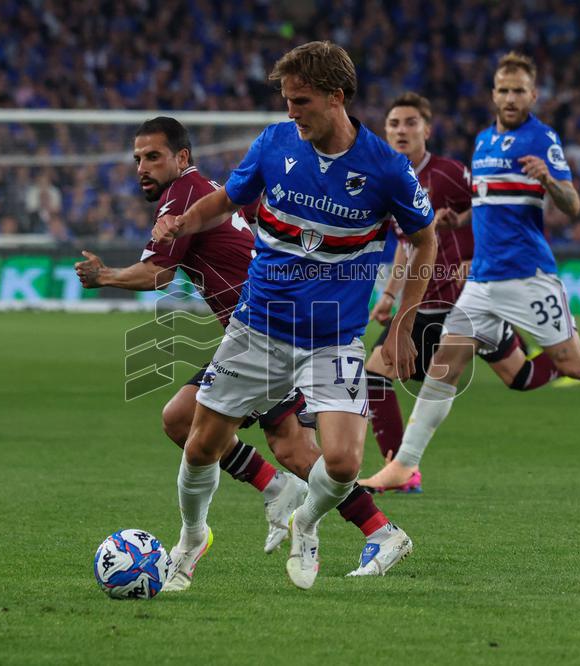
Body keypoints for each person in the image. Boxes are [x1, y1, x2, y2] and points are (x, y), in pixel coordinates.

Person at [150, 41, 437, 591]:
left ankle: (305, 521)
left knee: (345, 460)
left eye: (300, 100)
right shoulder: (275, 142)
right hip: (258, 326)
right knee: (200, 444)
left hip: (332, 338)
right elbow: (229, 199)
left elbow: (425, 242)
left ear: (336, 97)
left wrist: (403, 325)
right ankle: (189, 541)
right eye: (286, 100)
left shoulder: (386, 169)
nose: (290, 112)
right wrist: (181, 222)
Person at [75, 117, 410, 577]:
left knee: (293, 450)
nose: (142, 168)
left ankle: (377, 529)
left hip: (274, 331)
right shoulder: (201, 189)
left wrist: (105, 277)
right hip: (256, 331)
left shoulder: (185, 195)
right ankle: (281, 492)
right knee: (188, 422)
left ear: (182, 158)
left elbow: (158, 274)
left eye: (153, 156)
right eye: (137, 159)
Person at [359, 52, 580, 490]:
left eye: (519, 91)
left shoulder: (542, 139)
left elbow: (572, 204)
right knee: (446, 366)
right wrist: (455, 222)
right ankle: (405, 465)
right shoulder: (482, 142)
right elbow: (484, 205)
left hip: (526, 275)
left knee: (573, 363)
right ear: (493, 95)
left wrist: (550, 181)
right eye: (503, 90)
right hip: (481, 282)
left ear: (533, 95)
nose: (511, 98)